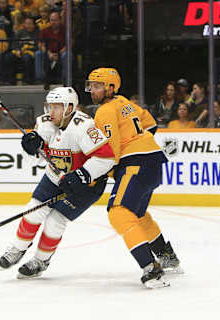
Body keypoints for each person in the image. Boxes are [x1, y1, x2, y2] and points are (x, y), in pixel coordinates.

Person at [0, 87, 116, 278]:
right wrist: (31, 149)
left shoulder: (85, 127)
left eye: (57, 107)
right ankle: (17, 249)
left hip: (86, 185)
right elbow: (38, 159)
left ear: (70, 108)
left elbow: (107, 158)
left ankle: (40, 261)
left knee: (55, 221)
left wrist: (82, 175)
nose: (50, 112)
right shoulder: (44, 123)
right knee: (33, 210)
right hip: (54, 177)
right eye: (49, 107)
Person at [87, 67, 181, 289]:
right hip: (153, 162)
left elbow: (110, 149)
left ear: (111, 87)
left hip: (135, 165)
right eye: (91, 85)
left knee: (119, 212)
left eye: (98, 85)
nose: (93, 90)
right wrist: (139, 143)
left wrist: (99, 173)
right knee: (137, 215)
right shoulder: (126, 103)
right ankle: (167, 258)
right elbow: (150, 124)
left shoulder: (105, 111)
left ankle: (151, 268)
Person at [38, 11, 66, 89]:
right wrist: (49, 53)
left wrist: (58, 54)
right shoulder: (44, 30)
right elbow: (41, 44)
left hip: (61, 52)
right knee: (38, 53)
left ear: (60, 20)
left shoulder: (65, 30)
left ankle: (65, 79)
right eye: (51, 20)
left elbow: (69, 44)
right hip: (48, 52)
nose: (53, 22)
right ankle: (41, 80)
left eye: (55, 20)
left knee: (66, 55)